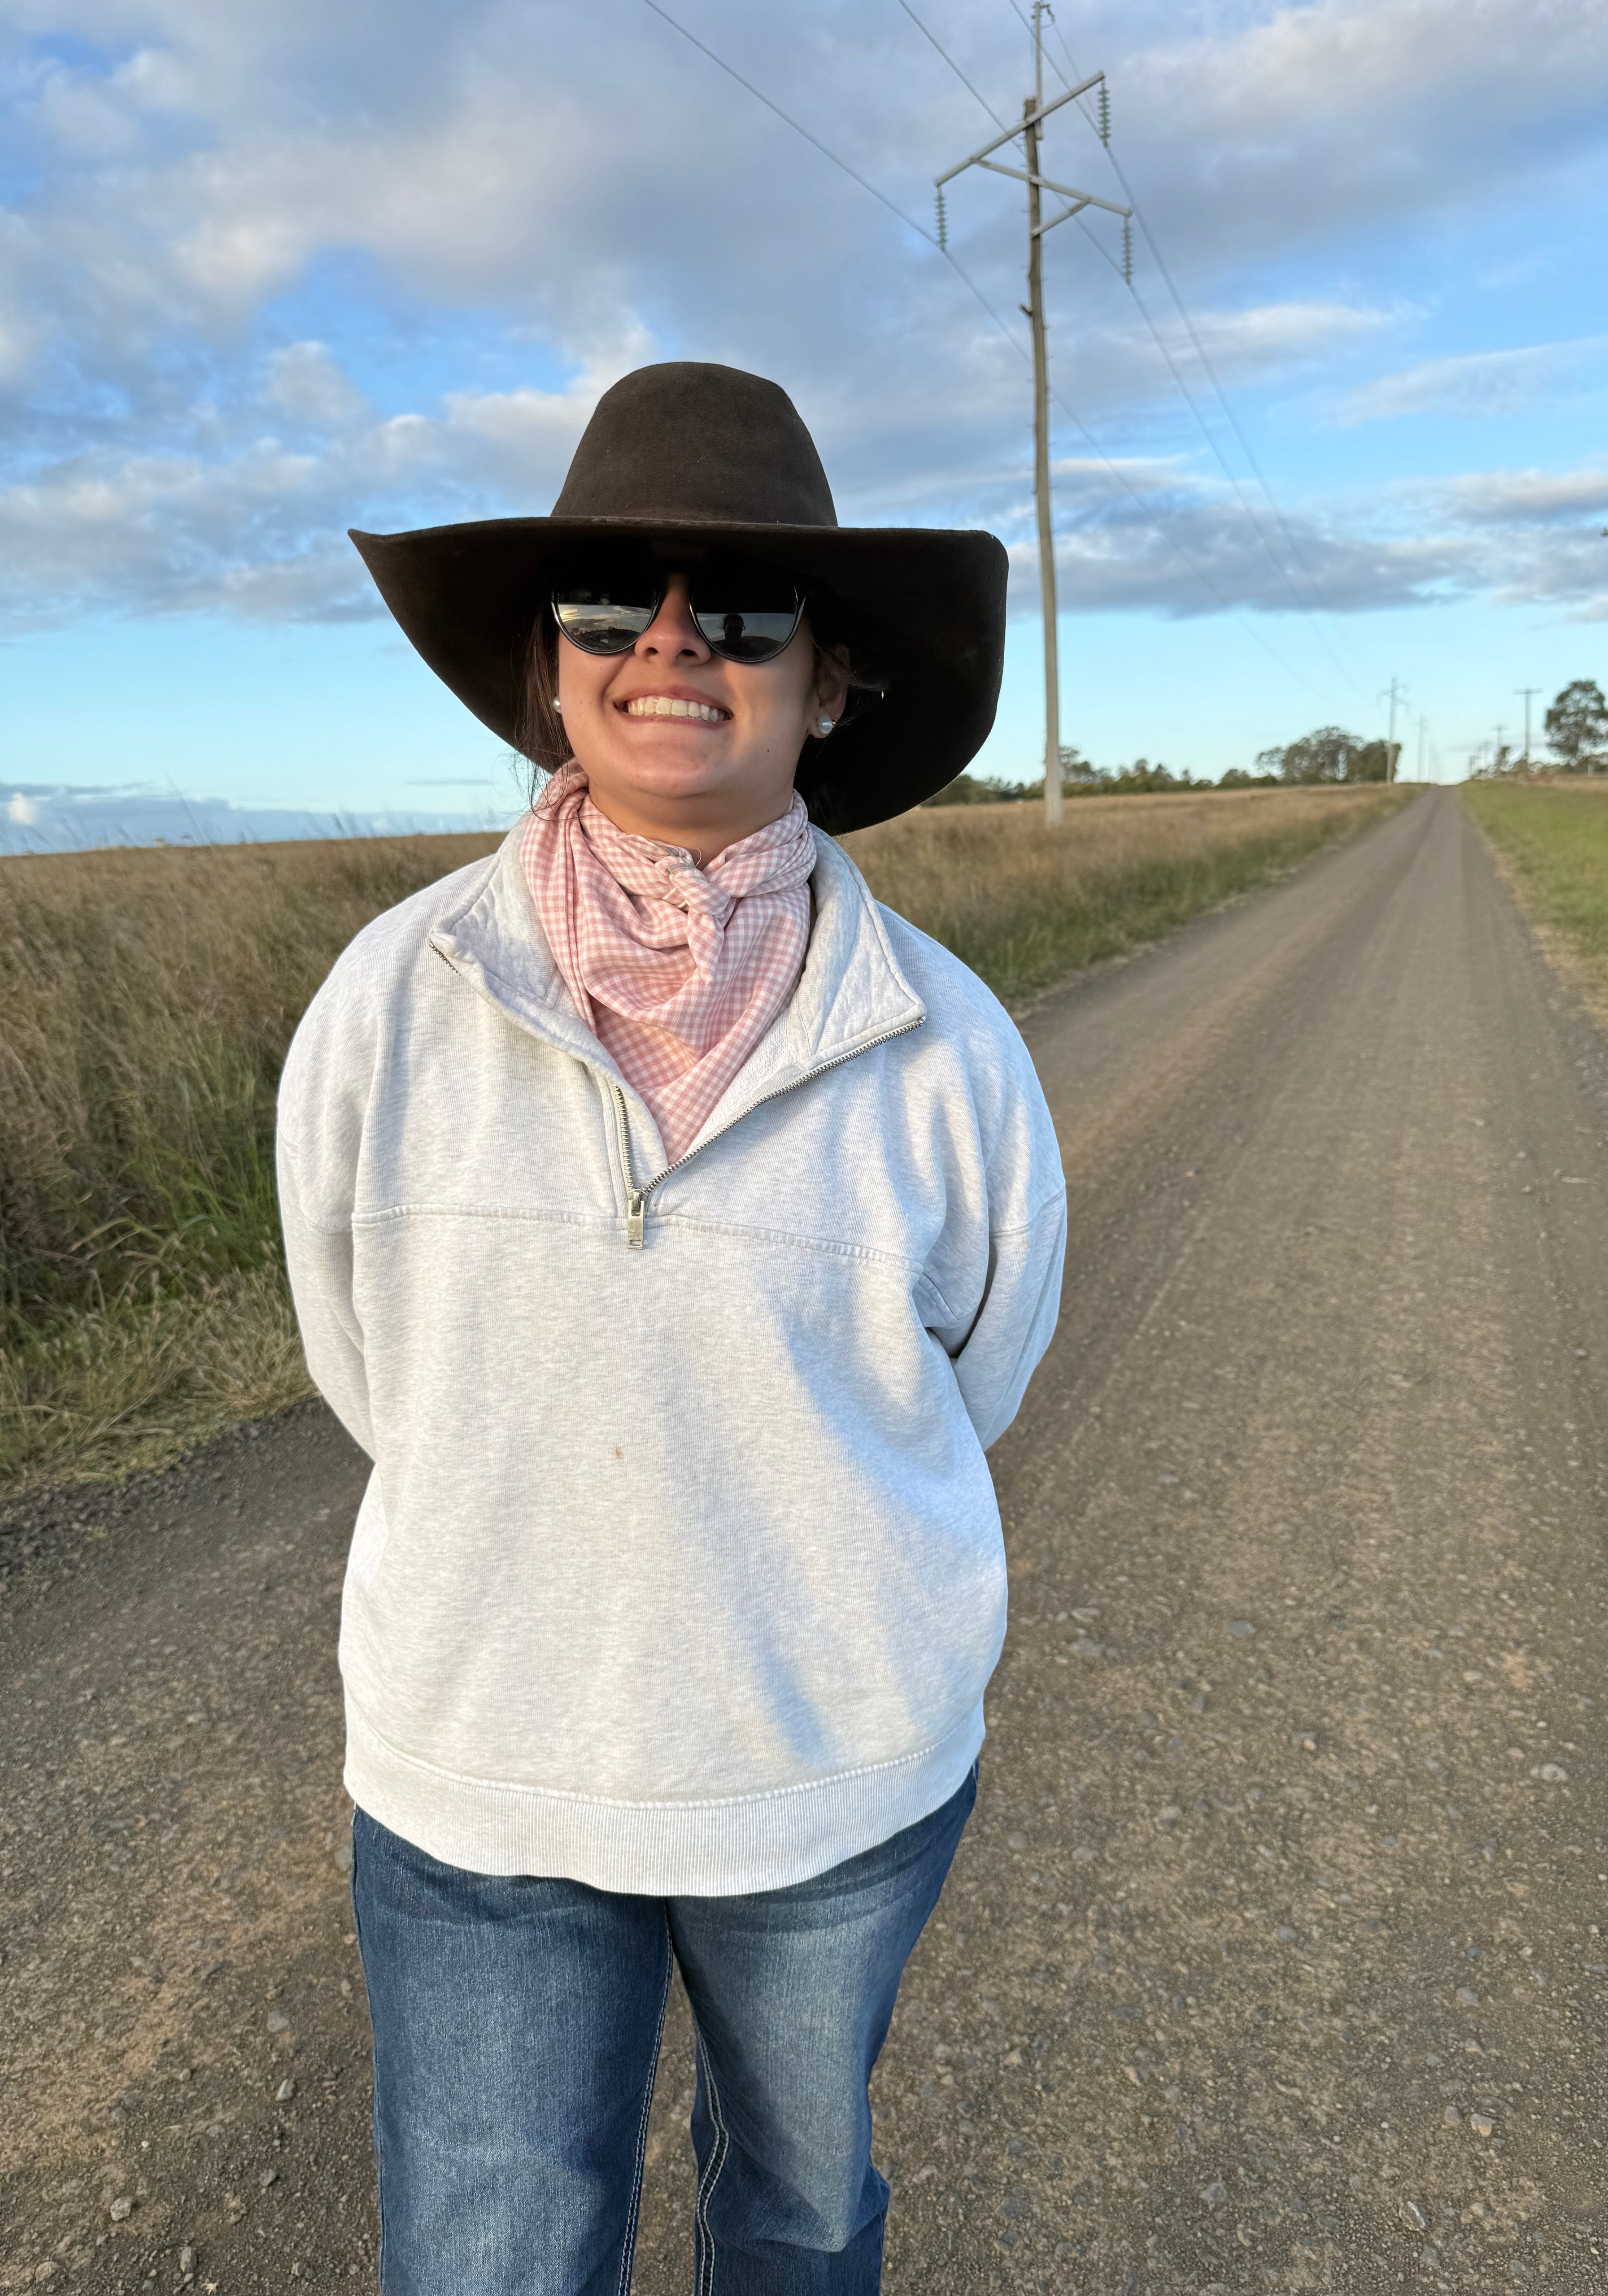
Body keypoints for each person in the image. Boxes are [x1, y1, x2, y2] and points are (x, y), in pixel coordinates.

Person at [277, 361, 1066, 2295]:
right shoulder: (392, 998)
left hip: (834, 1775)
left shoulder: (950, 1044)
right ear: (548, 673)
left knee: (798, 2216)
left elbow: (976, 1376)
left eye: (749, 606)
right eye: (609, 599)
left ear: (832, 682)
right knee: (494, 2255)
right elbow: (368, 1362)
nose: (673, 640)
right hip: (483, 1771)